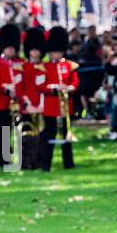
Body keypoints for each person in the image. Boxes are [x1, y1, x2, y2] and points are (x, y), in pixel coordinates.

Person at [39, 25, 79, 171]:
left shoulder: (69, 66)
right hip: (50, 106)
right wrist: (53, 88)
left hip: (65, 106)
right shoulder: (44, 67)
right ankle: (46, 164)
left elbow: (75, 82)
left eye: (58, 52)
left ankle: (68, 163)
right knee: (49, 136)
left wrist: (69, 88)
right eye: (53, 52)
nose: (55, 55)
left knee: (66, 135)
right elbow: (41, 85)